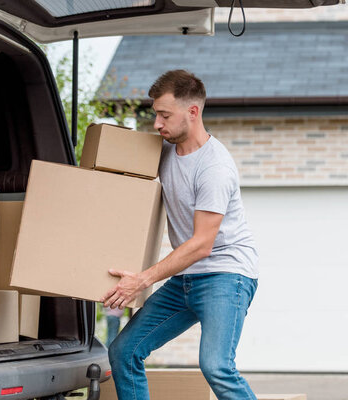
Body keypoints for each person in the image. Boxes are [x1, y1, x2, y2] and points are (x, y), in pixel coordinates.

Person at [100, 69, 259, 400]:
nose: (157, 124)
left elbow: (202, 245)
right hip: (186, 279)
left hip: (226, 276)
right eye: (156, 114)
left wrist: (142, 280)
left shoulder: (214, 167)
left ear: (193, 112)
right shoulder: (165, 152)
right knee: (124, 352)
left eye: (164, 115)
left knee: (216, 366)